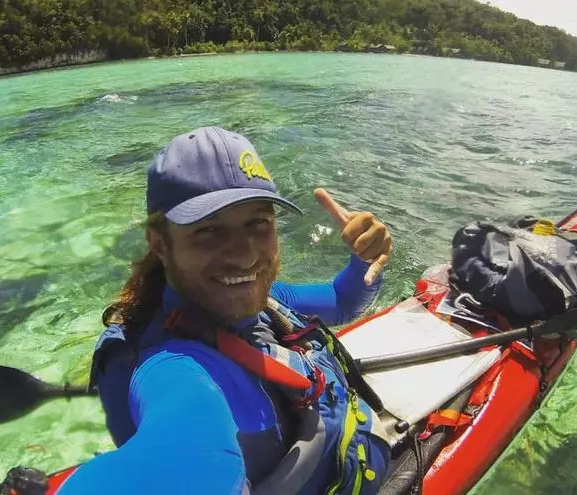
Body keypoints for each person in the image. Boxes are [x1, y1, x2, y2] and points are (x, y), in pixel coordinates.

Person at [57, 127, 393, 494]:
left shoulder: (265, 302)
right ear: (159, 243)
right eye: (208, 230)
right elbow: (188, 451)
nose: (245, 256)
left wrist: (365, 260)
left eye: (258, 223)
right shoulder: (169, 366)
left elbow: (342, 300)